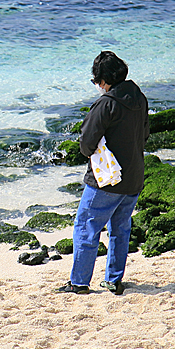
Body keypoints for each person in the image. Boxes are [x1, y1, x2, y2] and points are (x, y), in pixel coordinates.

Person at [56, 51, 149, 295]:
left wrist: (90, 152)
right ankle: (113, 280)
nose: (97, 85)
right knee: (121, 229)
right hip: (133, 177)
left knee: (86, 226)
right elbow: (145, 134)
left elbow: (86, 142)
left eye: (96, 80)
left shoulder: (106, 103)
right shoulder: (139, 97)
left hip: (106, 179)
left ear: (104, 80)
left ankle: (79, 283)